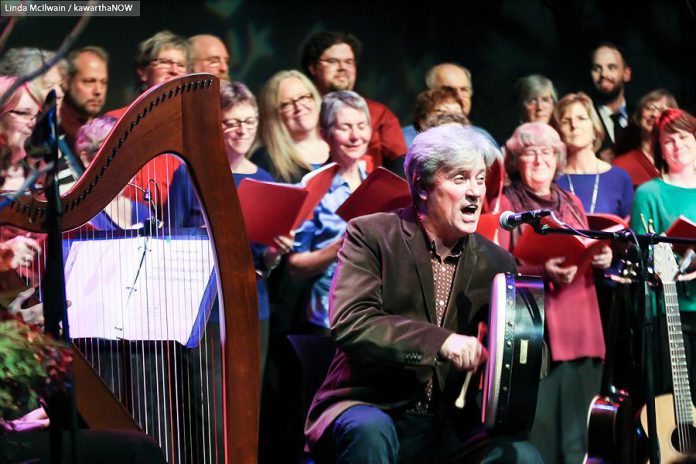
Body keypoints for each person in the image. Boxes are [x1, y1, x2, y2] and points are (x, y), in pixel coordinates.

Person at [304, 124, 542, 464]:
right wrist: (442, 342)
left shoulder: (497, 261)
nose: (475, 192)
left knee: (521, 455)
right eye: (460, 179)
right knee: (370, 432)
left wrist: (516, 350)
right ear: (422, 184)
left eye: (479, 178)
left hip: (447, 422)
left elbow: (530, 353)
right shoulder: (372, 235)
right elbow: (352, 323)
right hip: (371, 405)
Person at [495, 122, 609, 463]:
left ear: (558, 157)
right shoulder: (507, 203)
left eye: (547, 152)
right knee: (541, 434)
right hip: (535, 332)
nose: (540, 159)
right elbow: (496, 264)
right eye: (530, 153)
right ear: (516, 161)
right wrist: (542, 270)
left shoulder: (570, 199)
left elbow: (585, 245)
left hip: (583, 326)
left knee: (580, 437)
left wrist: (602, 255)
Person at [167, 81, 293, 376]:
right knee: (208, 406)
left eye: (250, 121)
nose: (243, 130)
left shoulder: (265, 179)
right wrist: (203, 233)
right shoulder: (189, 174)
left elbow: (264, 262)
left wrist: (276, 252)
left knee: (249, 403)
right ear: (215, 124)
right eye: (232, 123)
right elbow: (167, 242)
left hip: (251, 303)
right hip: (201, 306)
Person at [288, 90, 371, 333]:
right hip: (326, 319)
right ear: (325, 134)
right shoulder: (312, 188)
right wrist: (340, 246)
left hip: (371, 316)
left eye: (361, 126)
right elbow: (295, 266)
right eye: (345, 127)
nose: (356, 136)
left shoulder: (375, 185)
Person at [631, 108, 696, 400]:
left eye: (684, 137)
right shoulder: (648, 193)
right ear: (659, 148)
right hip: (670, 312)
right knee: (674, 401)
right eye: (669, 140)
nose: (678, 145)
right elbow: (640, 256)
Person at [106, 30, 191, 208]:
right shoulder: (113, 122)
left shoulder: (193, 128)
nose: (174, 70)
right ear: (143, 72)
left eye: (180, 65)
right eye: (164, 62)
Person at [301, 31, 407, 173]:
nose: (342, 67)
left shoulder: (378, 113)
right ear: (312, 67)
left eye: (349, 62)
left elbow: (402, 162)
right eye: (332, 61)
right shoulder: (302, 113)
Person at [554, 92, 633, 218]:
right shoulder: (553, 181)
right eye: (565, 121)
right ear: (559, 132)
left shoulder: (619, 178)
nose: (574, 125)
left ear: (594, 128)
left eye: (581, 118)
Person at [251, 69, 329, 183]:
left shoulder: (339, 141)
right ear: (273, 115)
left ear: (314, 99)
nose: (298, 107)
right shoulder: (264, 161)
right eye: (286, 104)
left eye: (303, 97)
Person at [613, 89, 679, 187]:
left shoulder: (682, 159)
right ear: (639, 116)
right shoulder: (622, 165)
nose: (654, 114)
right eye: (649, 108)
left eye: (662, 110)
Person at [60, 46, 109, 152]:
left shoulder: (107, 129)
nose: (98, 91)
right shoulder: (52, 128)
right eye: (89, 81)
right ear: (67, 82)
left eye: (103, 82)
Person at [589, 42, 632, 155]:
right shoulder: (583, 118)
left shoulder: (641, 115)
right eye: (597, 68)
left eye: (611, 67)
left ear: (626, 74)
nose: (603, 74)